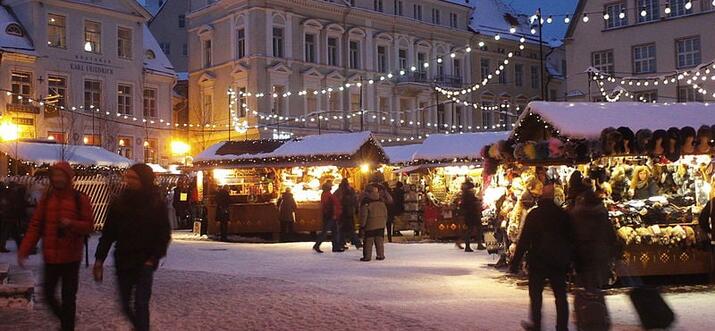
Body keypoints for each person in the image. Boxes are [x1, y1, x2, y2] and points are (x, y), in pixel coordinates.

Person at [94, 163, 172, 331]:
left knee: (141, 304)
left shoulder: (156, 203)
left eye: (133, 178)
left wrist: (154, 257)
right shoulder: (119, 203)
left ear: (144, 180)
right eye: (127, 177)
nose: (128, 181)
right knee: (124, 304)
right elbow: (108, 233)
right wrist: (99, 259)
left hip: (145, 261)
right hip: (124, 259)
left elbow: (163, 233)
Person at [17, 162, 94, 331]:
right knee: (48, 295)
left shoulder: (80, 199)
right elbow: (36, 226)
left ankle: (67, 326)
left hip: (71, 256)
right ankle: (67, 321)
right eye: (55, 175)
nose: (58, 179)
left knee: (68, 297)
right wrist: (24, 249)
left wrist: (71, 224)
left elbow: (89, 226)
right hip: (51, 256)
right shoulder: (47, 199)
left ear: (68, 177)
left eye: (61, 175)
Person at [509, 183, 573, 331]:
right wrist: (571, 259)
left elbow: (524, 239)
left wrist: (515, 262)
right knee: (561, 296)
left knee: (536, 296)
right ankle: (562, 327)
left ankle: (536, 325)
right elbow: (571, 238)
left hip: (538, 260)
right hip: (558, 261)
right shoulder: (563, 215)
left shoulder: (534, 214)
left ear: (542, 196)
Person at [570, 189, 619, 290]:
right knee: (598, 280)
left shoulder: (576, 213)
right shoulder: (602, 212)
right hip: (599, 251)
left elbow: (572, 233)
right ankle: (597, 298)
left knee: (583, 281)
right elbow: (610, 234)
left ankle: (585, 298)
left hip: (581, 252)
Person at [359, 185, 388, 261]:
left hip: (370, 224)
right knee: (379, 241)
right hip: (381, 224)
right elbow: (385, 213)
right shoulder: (381, 201)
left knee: (368, 241)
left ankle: (367, 256)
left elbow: (364, 215)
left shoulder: (366, 202)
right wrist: (384, 221)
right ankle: (380, 255)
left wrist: (362, 226)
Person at [313, 182, 342, 253]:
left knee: (333, 231)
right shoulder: (328, 195)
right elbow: (332, 205)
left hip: (330, 216)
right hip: (331, 216)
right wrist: (334, 214)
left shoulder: (325, 194)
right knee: (327, 232)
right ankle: (318, 245)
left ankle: (335, 246)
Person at [456, 181, 484, 252]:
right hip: (472, 214)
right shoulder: (468, 194)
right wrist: (477, 201)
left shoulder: (465, 194)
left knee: (471, 229)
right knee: (474, 229)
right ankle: (473, 245)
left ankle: (474, 244)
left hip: (469, 214)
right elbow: (472, 202)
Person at [334, 179, 361, 249]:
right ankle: (357, 242)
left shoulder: (338, 191)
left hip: (341, 213)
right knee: (351, 229)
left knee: (341, 229)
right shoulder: (351, 190)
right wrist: (357, 209)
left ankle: (341, 243)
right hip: (349, 212)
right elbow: (355, 200)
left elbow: (335, 201)